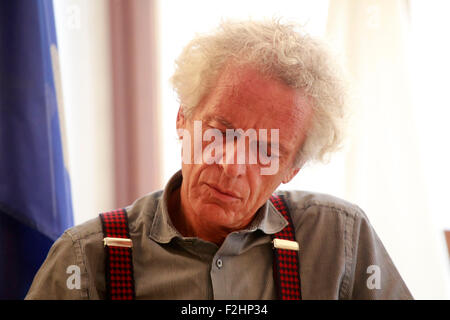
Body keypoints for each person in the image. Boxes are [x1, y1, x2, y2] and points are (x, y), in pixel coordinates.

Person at [26, 19, 413, 300]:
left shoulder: (339, 240)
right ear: (183, 118)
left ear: (292, 168)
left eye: (266, 150)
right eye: (220, 132)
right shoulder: (87, 258)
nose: (232, 165)